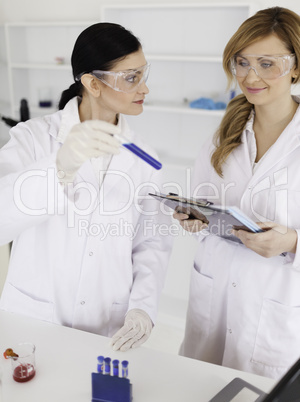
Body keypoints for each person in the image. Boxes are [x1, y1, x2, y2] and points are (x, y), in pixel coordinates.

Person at [0, 22, 172, 351]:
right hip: (35, 320)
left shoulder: (145, 159)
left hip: (107, 325)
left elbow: (151, 244)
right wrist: (59, 167)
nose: (145, 89)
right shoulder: (33, 139)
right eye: (131, 77)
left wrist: (142, 307)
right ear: (92, 83)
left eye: (143, 74)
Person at [174, 7, 300, 379]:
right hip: (214, 296)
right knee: (200, 386)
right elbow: (203, 200)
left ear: (296, 66)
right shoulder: (224, 133)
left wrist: (292, 241)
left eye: (267, 63)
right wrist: (193, 216)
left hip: (275, 304)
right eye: (241, 62)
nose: (250, 76)